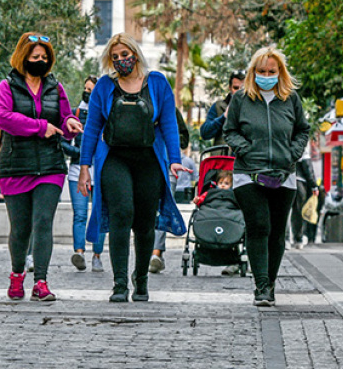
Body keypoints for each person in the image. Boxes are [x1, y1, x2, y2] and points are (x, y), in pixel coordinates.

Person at [78, 33, 188, 303]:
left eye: (124, 55)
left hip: (149, 159)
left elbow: (169, 124)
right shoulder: (104, 86)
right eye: (114, 57)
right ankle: (119, 285)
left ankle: (141, 280)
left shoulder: (158, 82)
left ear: (135, 54)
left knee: (144, 221)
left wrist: (174, 159)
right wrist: (84, 167)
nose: (120, 61)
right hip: (115, 158)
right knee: (121, 213)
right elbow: (91, 129)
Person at [0, 32, 83, 302]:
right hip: (15, 166)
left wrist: (68, 124)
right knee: (20, 228)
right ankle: (17, 275)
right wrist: (40, 127)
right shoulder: (7, 86)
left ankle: (41, 282)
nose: (41, 61)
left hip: (50, 165)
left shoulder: (56, 88)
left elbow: (65, 116)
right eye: (35, 57)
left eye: (44, 57)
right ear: (24, 58)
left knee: (43, 223)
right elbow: (2, 117)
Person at [224, 46, 309, 307]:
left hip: (284, 174)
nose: (266, 75)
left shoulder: (290, 98)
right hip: (248, 173)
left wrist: (291, 154)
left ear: (280, 72)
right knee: (259, 226)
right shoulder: (241, 99)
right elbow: (231, 131)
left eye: (272, 71)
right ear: (253, 72)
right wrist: (247, 150)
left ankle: (270, 283)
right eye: (261, 71)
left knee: (276, 232)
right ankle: (260, 286)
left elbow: (302, 131)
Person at [66, 77, 105, 273]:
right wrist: (81, 155)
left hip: (100, 172)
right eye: (85, 89)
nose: (87, 93)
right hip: (76, 171)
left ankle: (97, 255)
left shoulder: (105, 114)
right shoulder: (75, 113)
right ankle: (79, 253)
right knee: (80, 215)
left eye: (91, 89)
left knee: (98, 214)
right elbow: (63, 141)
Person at [150, 109, 193, 273]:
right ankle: (152, 252)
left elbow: (184, 140)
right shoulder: (140, 105)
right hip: (147, 163)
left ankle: (156, 252)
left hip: (169, 166)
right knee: (149, 210)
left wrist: (169, 136)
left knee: (164, 207)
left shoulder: (172, 111)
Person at [199, 70, 245, 146]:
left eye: (243, 88)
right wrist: (223, 117)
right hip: (223, 156)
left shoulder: (255, 108)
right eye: (236, 88)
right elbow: (205, 133)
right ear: (230, 88)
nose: (239, 92)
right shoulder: (218, 106)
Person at [288, 156, 317, 249]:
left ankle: (285, 239)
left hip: (284, 181)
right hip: (299, 182)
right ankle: (298, 239)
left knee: (285, 212)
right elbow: (307, 167)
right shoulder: (302, 146)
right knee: (298, 212)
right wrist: (314, 185)